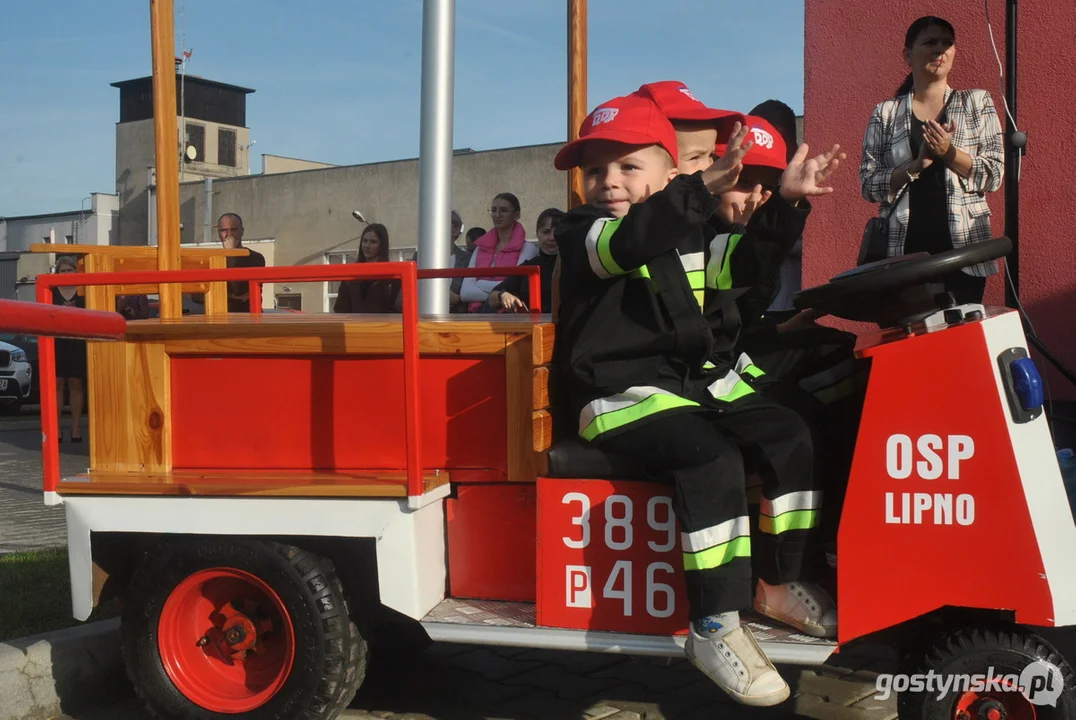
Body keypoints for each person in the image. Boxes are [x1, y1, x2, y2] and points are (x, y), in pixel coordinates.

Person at [553, 92, 843, 706]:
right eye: (595, 171)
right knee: (710, 458)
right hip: (615, 397)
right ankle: (714, 623)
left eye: (628, 167)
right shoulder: (585, 232)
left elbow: (741, 274)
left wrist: (786, 207)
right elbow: (627, 244)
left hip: (679, 387)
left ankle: (779, 578)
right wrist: (700, 190)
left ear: (664, 173)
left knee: (790, 428)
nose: (608, 182)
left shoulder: (683, 232)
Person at [860, 15, 1004, 305]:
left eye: (947, 43)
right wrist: (917, 165)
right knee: (911, 341)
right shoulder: (885, 113)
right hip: (903, 250)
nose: (940, 50)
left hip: (964, 249)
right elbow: (869, 185)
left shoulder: (977, 102)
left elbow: (995, 174)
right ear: (908, 54)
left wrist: (949, 153)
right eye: (930, 42)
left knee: (963, 338)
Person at [459, 193, 539, 312]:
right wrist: (500, 296)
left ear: (517, 214)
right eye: (493, 210)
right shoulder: (479, 248)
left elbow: (515, 288)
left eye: (504, 210)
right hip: (476, 315)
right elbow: (465, 293)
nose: (497, 215)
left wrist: (480, 283)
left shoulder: (528, 248)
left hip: (510, 317)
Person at [487, 208, 564, 313]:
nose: (551, 238)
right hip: (534, 326)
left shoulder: (576, 265)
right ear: (537, 234)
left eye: (557, 233)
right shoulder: (528, 267)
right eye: (546, 232)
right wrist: (503, 295)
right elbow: (492, 297)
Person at [51, 256, 87, 443]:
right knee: (56, 384)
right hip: (56, 342)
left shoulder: (82, 291)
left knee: (76, 384)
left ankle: (75, 428)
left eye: (69, 270)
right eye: (62, 271)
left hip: (77, 342)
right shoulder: (50, 291)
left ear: (75, 271)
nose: (66, 274)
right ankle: (55, 429)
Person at [334, 223, 401, 313]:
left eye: (373, 242)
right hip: (353, 325)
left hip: (382, 325)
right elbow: (340, 309)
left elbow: (396, 310)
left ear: (382, 245)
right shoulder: (350, 276)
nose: (367, 245)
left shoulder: (393, 277)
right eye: (364, 241)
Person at [412, 210, 471, 312]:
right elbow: (406, 295)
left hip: (456, 320)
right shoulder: (420, 256)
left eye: (441, 223)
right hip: (424, 316)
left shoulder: (467, 259)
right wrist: (443, 295)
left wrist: (458, 299)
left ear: (456, 230)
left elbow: (470, 295)